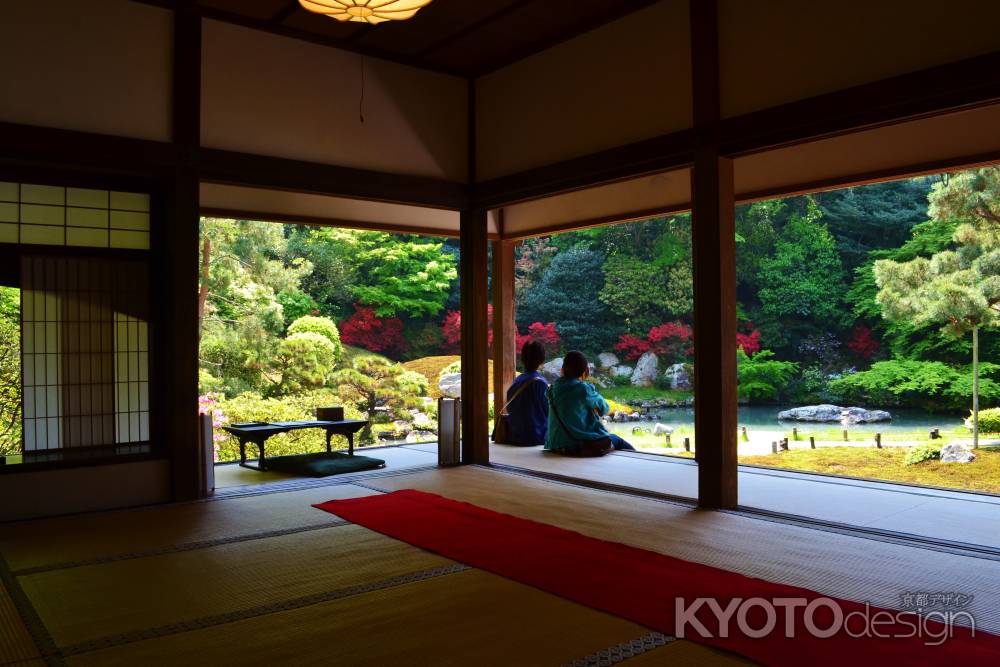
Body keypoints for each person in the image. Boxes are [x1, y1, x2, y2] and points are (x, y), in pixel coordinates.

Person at [544, 350, 635, 456]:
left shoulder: (552, 389)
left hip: (555, 445)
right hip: (577, 446)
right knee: (618, 440)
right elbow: (604, 408)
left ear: (563, 368)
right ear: (584, 370)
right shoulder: (583, 389)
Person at [501, 341, 550, 445]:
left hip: (515, 435)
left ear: (522, 358)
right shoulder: (540, 383)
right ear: (542, 359)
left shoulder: (517, 381)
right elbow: (549, 411)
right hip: (536, 435)